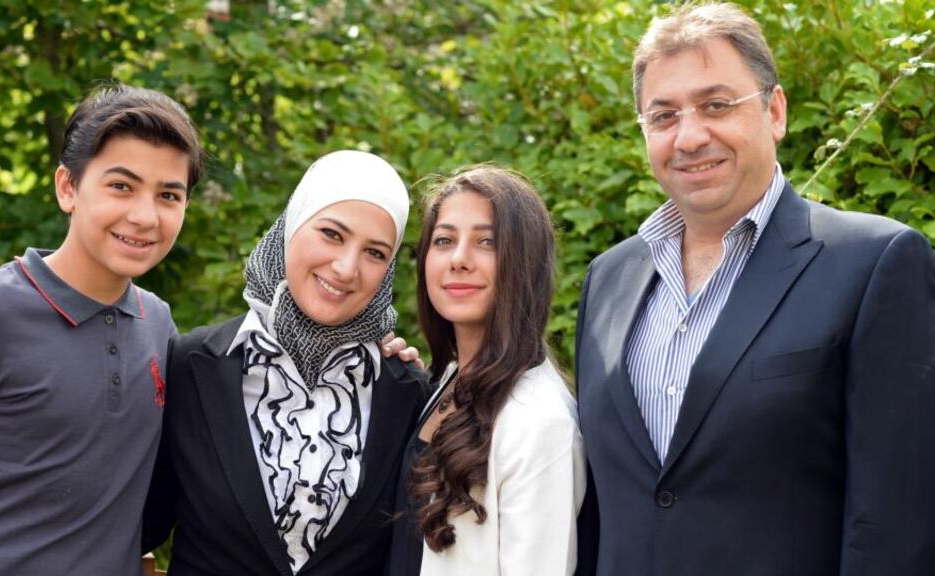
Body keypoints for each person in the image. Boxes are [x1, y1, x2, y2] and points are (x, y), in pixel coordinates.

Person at [574, 3, 935, 575]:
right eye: (663, 116)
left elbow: (895, 522)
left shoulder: (875, 264)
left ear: (775, 111)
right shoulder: (608, 280)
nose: (689, 136)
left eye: (716, 105)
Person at [0, 84, 203, 574]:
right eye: (121, 186)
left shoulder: (159, 323)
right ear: (68, 187)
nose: (144, 216)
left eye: (168, 195)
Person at [141, 150, 432, 575]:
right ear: (291, 227)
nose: (347, 267)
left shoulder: (407, 392)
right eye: (332, 234)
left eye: (374, 253)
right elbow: (135, 522)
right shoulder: (191, 365)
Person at [387, 167, 586, 575]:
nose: (459, 259)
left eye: (486, 242)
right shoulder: (447, 381)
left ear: (525, 263)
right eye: (444, 241)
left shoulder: (538, 420)